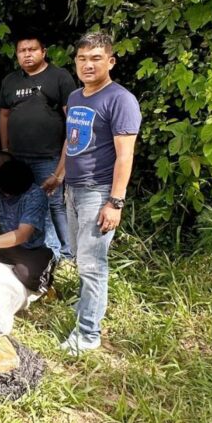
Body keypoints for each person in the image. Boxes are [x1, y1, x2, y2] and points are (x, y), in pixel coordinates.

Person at [43, 32, 141, 355]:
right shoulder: (76, 97)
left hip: (98, 193)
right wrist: (59, 175)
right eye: (82, 58)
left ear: (110, 61)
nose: (88, 64)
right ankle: (88, 304)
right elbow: (71, 140)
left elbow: (125, 156)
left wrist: (115, 202)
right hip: (73, 189)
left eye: (96, 58)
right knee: (79, 254)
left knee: (92, 264)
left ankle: (87, 334)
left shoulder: (120, 100)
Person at [0, 33, 76, 260]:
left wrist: (62, 166)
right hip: (17, 157)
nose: (27, 54)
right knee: (23, 202)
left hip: (48, 156)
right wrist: (5, 149)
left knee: (53, 204)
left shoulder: (60, 77)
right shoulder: (11, 80)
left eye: (32, 49)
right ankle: (34, 248)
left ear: (43, 52)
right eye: (22, 51)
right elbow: (4, 115)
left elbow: (72, 119)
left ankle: (64, 254)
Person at [0, 154, 55, 297]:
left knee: (28, 276)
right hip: (5, 245)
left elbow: (23, 234)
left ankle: (47, 268)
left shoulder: (34, 194)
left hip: (33, 249)